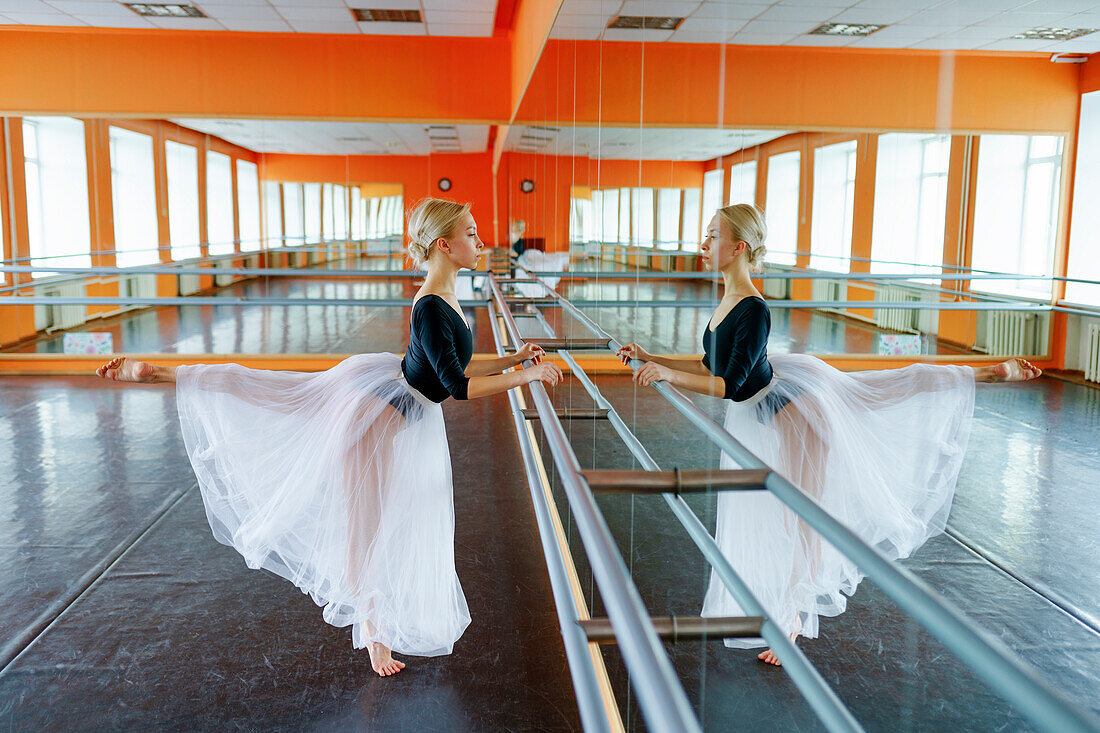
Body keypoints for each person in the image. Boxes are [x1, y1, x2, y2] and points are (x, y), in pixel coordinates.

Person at [95, 198, 563, 677]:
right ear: (444, 244)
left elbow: (455, 367)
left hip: (396, 396)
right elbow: (458, 388)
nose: (481, 241)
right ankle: (373, 637)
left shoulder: (445, 296)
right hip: (376, 419)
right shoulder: (430, 307)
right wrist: (525, 377)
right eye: (471, 232)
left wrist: (514, 359)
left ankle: (165, 376)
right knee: (360, 521)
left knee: (280, 396)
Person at [617, 203, 1041, 666]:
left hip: (798, 415)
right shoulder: (725, 302)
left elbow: (729, 385)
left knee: (809, 506)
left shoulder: (755, 310)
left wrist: (666, 376)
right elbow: (707, 364)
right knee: (868, 408)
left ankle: (794, 619)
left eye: (713, 235)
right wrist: (652, 355)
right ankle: (984, 374)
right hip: (765, 408)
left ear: (738, 247)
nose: (703, 244)